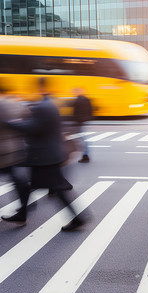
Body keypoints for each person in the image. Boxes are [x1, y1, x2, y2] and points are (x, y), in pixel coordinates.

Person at [1, 78, 85, 231]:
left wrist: (10, 123)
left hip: (45, 158)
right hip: (50, 155)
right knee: (28, 185)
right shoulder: (50, 104)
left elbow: (32, 128)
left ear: (41, 87)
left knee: (57, 190)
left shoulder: (43, 107)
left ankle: (78, 218)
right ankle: (22, 213)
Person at [0, 87, 30, 212]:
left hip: (2, 148)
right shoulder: (14, 104)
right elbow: (28, 117)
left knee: (15, 178)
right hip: (15, 147)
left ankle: (24, 203)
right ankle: (25, 202)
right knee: (16, 177)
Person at [71, 87, 93, 163]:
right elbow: (90, 110)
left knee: (81, 139)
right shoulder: (87, 99)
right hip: (83, 121)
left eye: (74, 91)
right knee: (82, 138)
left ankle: (85, 155)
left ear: (78, 92)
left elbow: (75, 112)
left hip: (79, 122)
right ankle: (85, 154)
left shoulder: (78, 100)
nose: (74, 93)